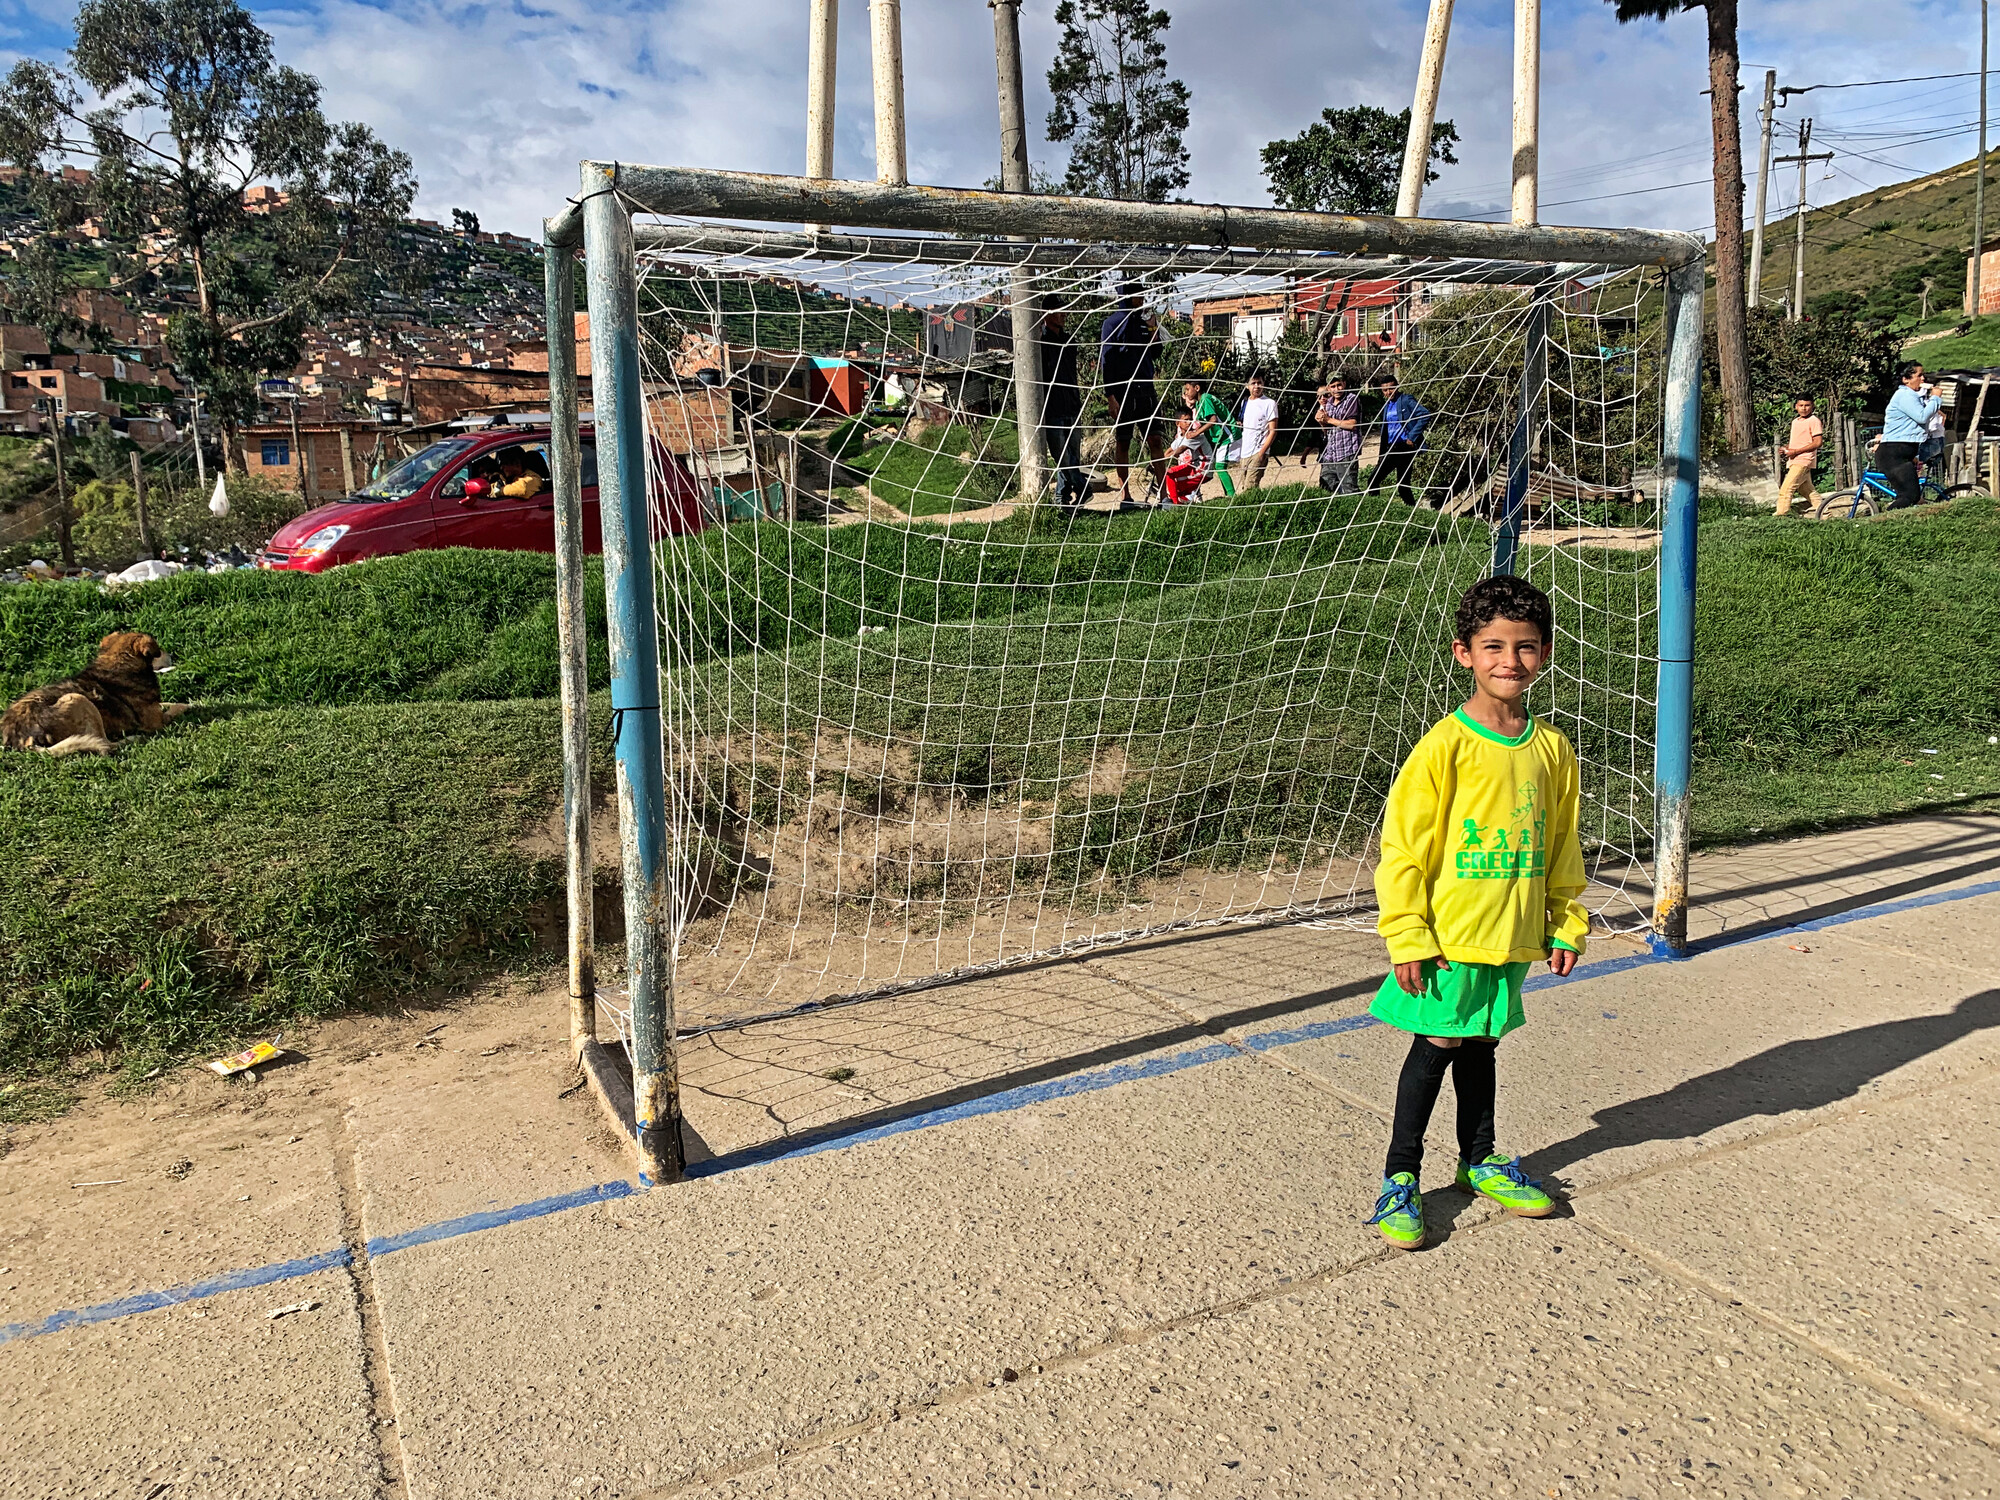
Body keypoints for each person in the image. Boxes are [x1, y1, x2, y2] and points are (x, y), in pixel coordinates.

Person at [1365, 574, 1590, 1252]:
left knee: (1482, 1043)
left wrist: (1563, 920)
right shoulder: (1445, 745)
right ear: (1464, 652)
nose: (1509, 662)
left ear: (1545, 654)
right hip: (1447, 936)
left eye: (1524, 648)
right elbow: (1404, 847)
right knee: (1436, 1045)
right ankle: (1400, 1178)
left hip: (1513, 931)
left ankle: (1479, 1160)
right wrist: (1407, 932)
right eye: (1493, 646)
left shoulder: (1551, 749)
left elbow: (1561, 842)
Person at [1100, 283, 1166, 504]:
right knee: (1123, 443)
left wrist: (1154, 329)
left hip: (1146, 390)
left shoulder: (1143, 322)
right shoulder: (1111, 324)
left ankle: (1164, 495)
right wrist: (1110, 396)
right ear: (1127, 297)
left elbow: (1156, 352)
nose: (1142, 300)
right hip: (1123, 393)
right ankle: (1125, 495)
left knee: (1155, 440)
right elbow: (1106, 361)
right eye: (1138, 296)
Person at [1039, 307, 1089, 515]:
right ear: (1046, 315)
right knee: (1062, 456)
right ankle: (1083, 486)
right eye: (1058, 311)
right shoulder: (1039, 342)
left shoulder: (1069, 341)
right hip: (1052, 406)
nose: (1064, 315)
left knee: (1072, 455)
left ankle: (1062, 500)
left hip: (1072, 403)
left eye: (1065, 311)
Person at [1879, 361, 1940, 509]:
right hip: (1894, 454)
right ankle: (1886, 519)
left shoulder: (1912, 396)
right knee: (1910, 496)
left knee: (1912, 496)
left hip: (1902, 453)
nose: (1923, 378)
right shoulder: (1904, 395)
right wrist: (1936, 398)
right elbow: (1922, 416)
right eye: (1919, 375)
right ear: (1906, 379)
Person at [1367, 373, 1431, 506]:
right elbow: (1386, 431)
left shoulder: (1406, 400)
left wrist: (1412, 437)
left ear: (1397, 387)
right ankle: (1412, 510)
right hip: (1391, 446)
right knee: (1402, 485)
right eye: (1385, 390)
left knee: (1373, 479)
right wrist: (1382, 452)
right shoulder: (1387, 406)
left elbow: (1425, 414)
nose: (1388, 392)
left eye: (1391, 388)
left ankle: (1374, 507)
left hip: (1403, 446)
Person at [1775, 397, 1824, 517]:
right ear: (1796, 406)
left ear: (1812, 406)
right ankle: (1826, 515)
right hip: (1794, 459)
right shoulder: (1795, 422)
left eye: (1807, 405)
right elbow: (1799, 442)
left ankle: (1781, 515)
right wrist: (1787, 448)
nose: (1804, 408)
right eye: (1801, 405)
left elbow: (1817, 442)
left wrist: (1796, 451)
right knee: (1807, 491)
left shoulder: (1814, 420)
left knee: (1786, 488)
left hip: (1804, 460)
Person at [1315, 370, 1361, 495]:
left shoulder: (1351, 399)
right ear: (1329, 388)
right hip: (1330, 453)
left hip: (1346, 451)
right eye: (1333, 386)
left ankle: (1359, 510)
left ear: (1344, 384)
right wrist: (1322, 421)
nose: (1336, 389)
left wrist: (1329, 419)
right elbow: (1326, 431)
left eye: (1339, 385)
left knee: (1349, 489)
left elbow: (1352, 424)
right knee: (1326, 487)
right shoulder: (1328, 403)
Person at [1237, 373, 1280, 491]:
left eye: (1259, 383)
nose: (1256, 386)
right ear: (1247, 386)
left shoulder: (1269, 403)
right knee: (1244, 485)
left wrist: (1262, 452)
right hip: (1245, 451)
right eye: (1253, 383)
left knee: (1250, 486)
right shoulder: (1244, 402)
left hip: (1258, 450)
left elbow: (1273, 430)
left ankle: (1252, 508)